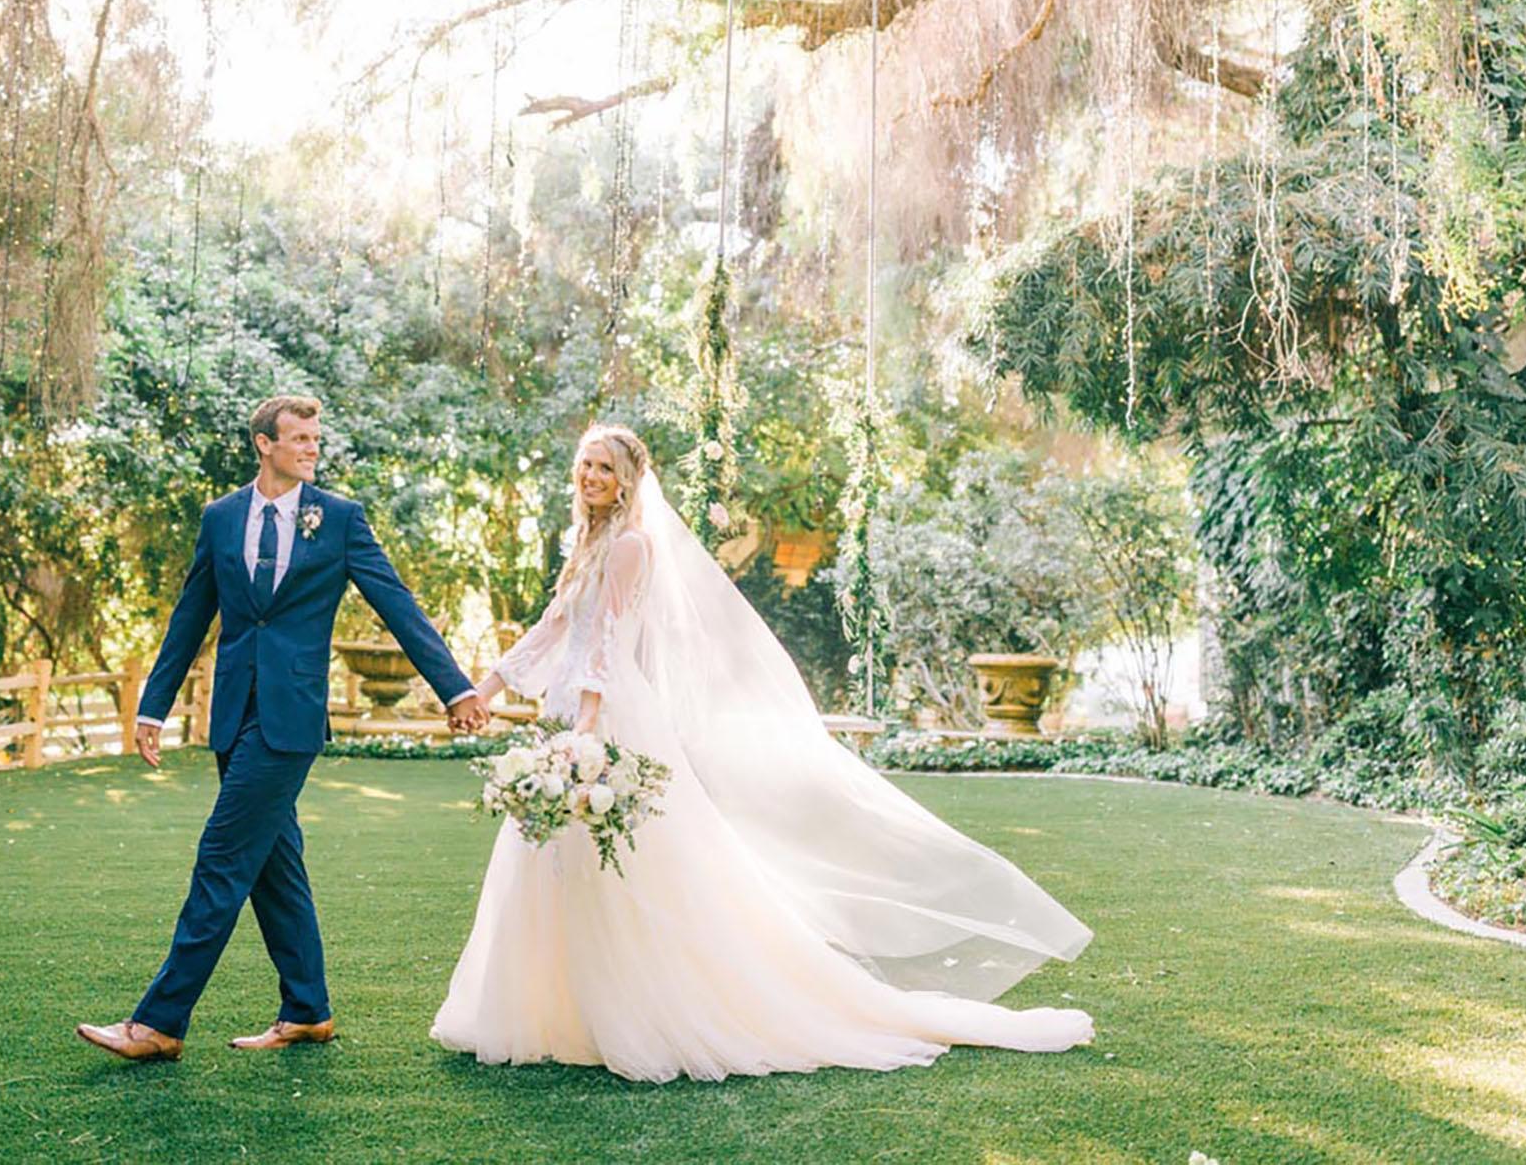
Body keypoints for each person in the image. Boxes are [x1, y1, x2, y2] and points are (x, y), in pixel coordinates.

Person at [431, 424, 1094, 1081]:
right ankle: (553, 1011)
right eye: (585, 464)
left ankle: (631, 1010)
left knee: (620, 863)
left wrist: (585, 729)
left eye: (605, 467)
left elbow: (605, 643)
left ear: (628, 480)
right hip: (565, 712)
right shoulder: (588, 540)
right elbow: (552, 628)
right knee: (551, 854)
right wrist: (480, 689)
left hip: (603, 715)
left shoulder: (630, 545)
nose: (591, 476)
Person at [78, 395, 490, 1063]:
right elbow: (191, 616)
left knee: (221, 858)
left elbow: (396, 604)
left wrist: (456, 687)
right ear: (263, 444)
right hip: (232, 715)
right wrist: (154, 706)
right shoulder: (221, 518)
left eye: (316, 439)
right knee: (275, 868)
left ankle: (158, 1023)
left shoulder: (340, 519)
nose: (311, 448)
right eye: (299, 438)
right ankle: (307, 1010)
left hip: (290, 717)